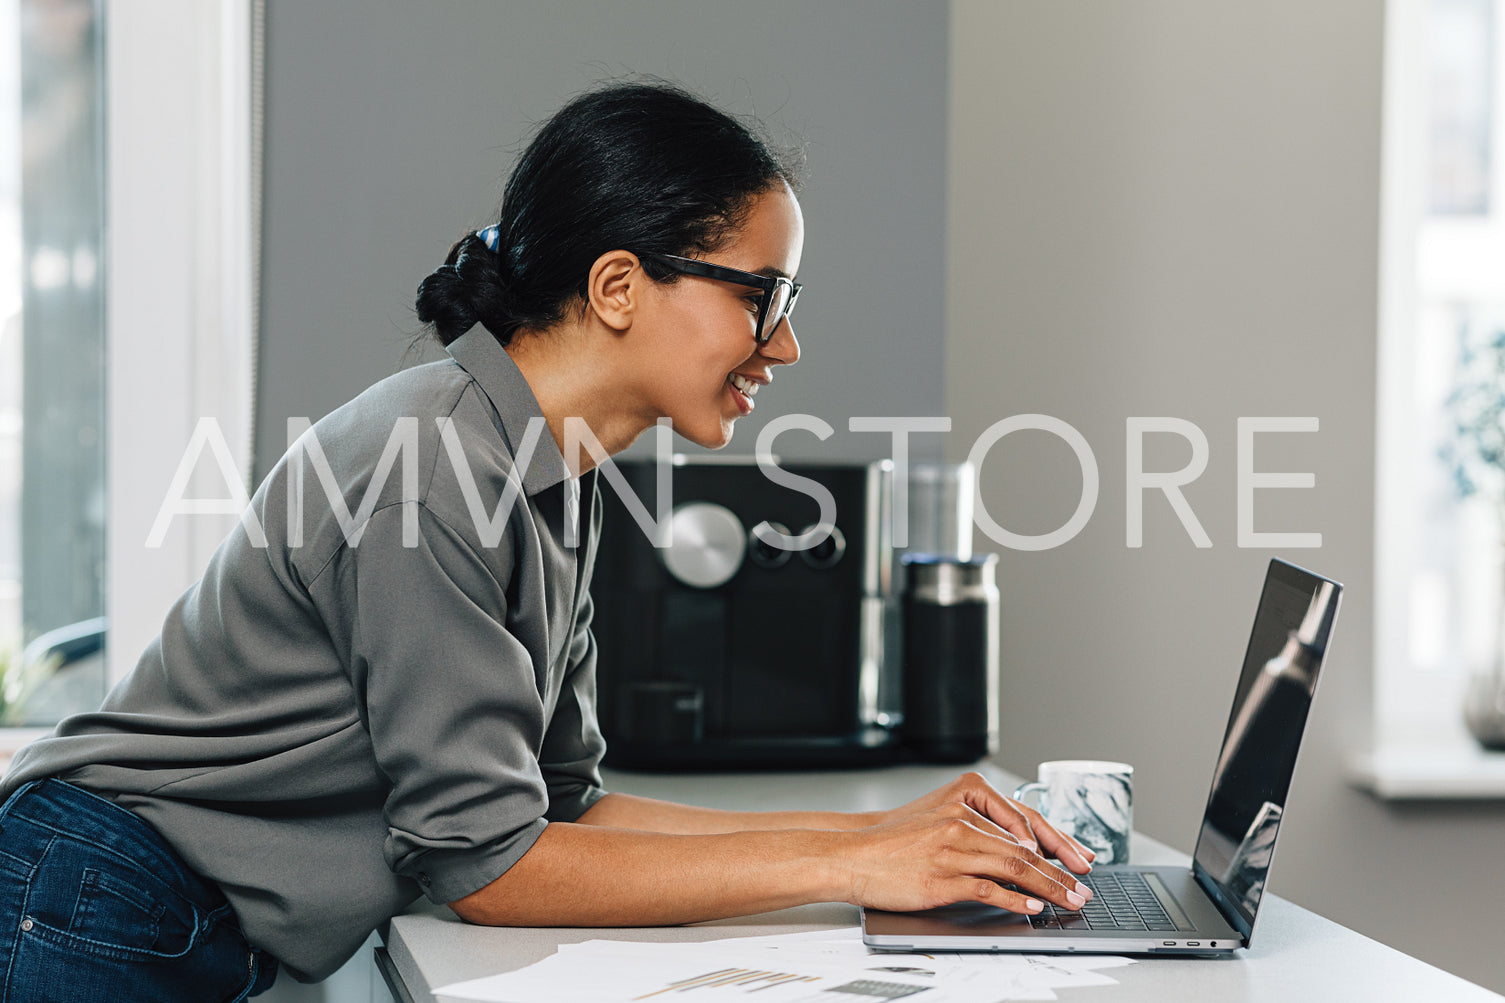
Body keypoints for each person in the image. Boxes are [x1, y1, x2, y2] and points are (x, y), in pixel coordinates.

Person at [0, 81, 1093, 1000]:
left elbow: (563, 805)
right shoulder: (430, 471)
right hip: (98, 896)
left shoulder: (545, 473)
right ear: (617, 286)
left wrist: (882, 836)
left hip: (138, 908)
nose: (788, 344)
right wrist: (852, 861)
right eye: (763, 298)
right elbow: (486, 864)